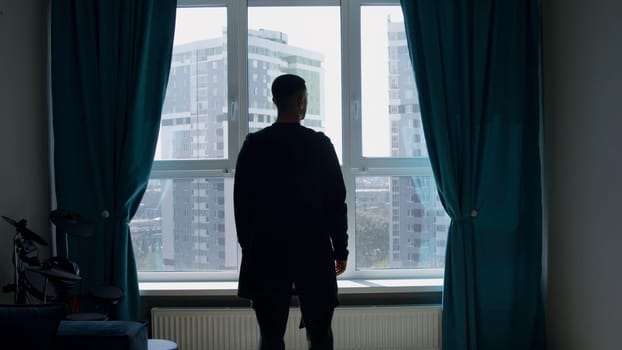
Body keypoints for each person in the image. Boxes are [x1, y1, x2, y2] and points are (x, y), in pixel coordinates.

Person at [233, 74, 348, 350]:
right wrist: (340, 250)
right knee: (320, 335)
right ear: (301, 101)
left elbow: (241, 204)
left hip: (266, 252)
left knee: (271, 337)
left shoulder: (255, 144)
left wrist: (250, 247)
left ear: (274, 101)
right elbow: (336, 202)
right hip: (313, 251)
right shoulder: (320, 145)